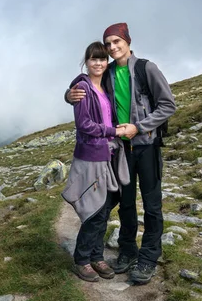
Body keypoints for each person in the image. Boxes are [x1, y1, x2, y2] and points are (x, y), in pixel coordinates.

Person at [65, 23, 176, 285]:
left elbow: (168, 104)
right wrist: (69, 96)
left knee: (151, 205)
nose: (113, 47)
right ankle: (127, 251)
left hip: (146, 146)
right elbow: (86, 84)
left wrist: (139, 126)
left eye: (117, 41)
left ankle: (148, 257)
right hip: (121, 151)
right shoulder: (109, 71)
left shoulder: (146, 68)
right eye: (108, 44)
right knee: (125, 204)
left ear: (127, 41)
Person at [61, 41, 130, 282]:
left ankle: (97, 256)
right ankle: (82, 260)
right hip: (92, 156)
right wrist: (115, 132)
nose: (98, 63)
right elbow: (84, 125)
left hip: (109, 155)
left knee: (106, 206)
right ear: (86, 62)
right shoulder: (82, 87)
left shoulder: (106, 87)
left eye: (102, 59)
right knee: (94, 210)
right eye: (93, 59)